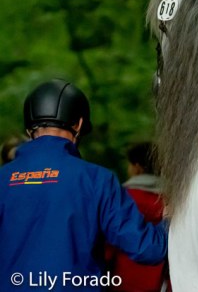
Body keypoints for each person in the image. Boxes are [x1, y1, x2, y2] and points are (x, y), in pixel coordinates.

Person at [0, 79, 168, 291]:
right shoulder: (97, 180)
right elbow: (149, 248)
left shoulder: (3, 179)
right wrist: (171, 220)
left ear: (28, 129)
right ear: (78, 124)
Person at [105, 141, 171, 292]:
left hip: (122, 281)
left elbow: (107, 248)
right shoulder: (173, 202)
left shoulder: (123, 198)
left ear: (137, 167)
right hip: (162, 283)